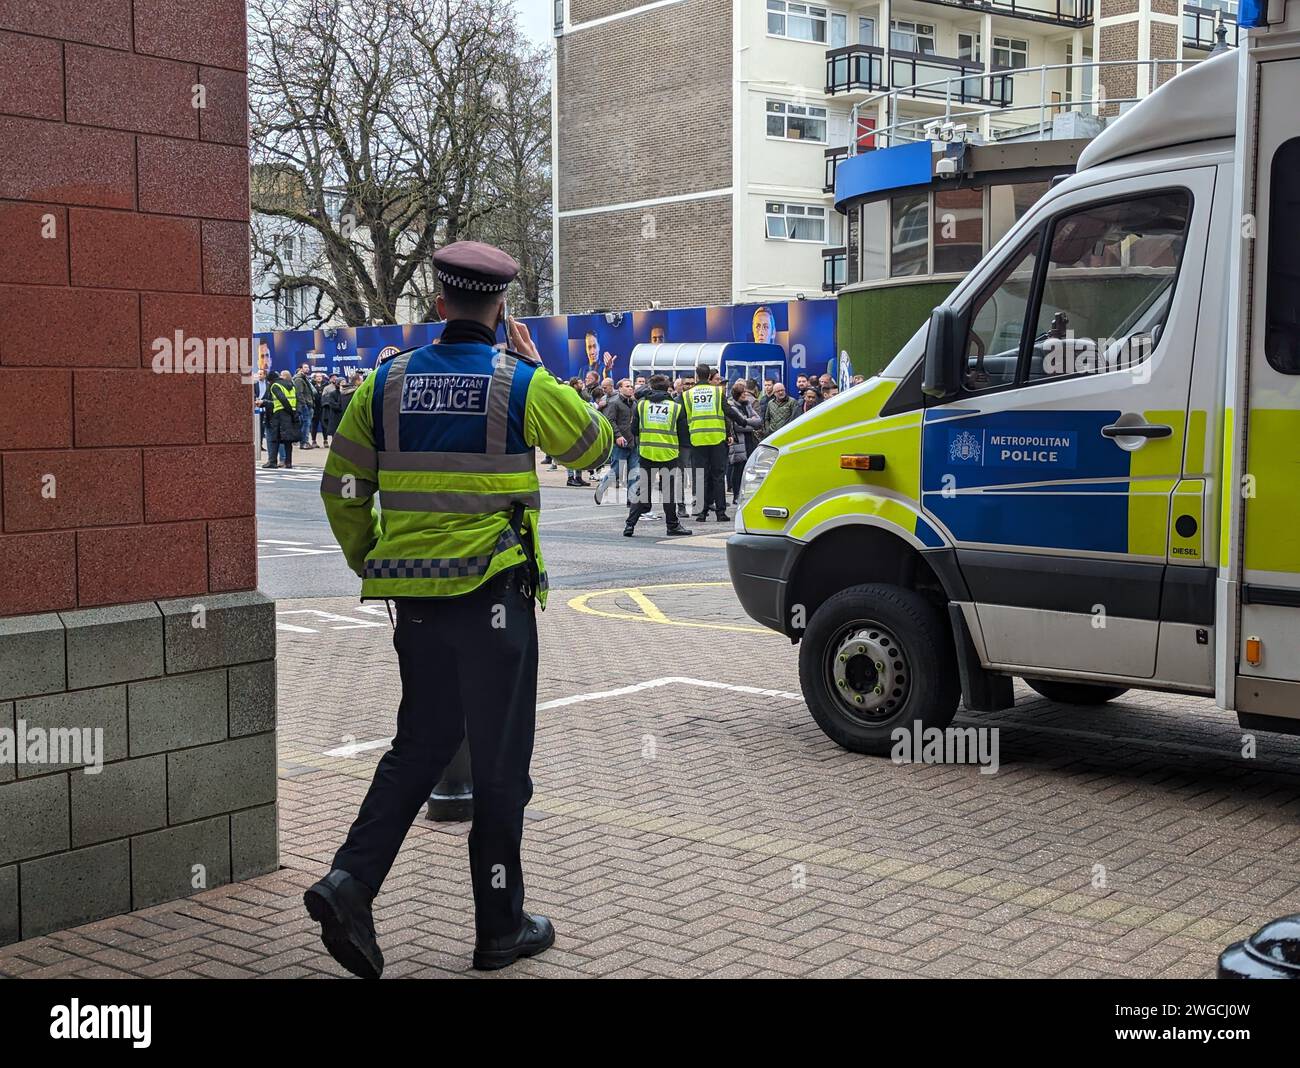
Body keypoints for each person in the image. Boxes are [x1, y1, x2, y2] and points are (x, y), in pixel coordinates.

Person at [305, 239, 611, 976]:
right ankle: (499, 929)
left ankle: (350, 881)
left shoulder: (381, 384)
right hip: (494, 600)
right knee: (502, 770)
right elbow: (595, 447)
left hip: (414, 600)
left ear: (439, 305)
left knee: (420, 744)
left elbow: (340, 490)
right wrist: (536, 365)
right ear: (500, 307)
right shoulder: (519, 382)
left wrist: (375, 558)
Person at [624, 374, 691, 538]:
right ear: (668, 387)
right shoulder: (676, 407)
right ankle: (672, 525)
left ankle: (629, 525)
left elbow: (633, 430)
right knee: (668, 493)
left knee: (643, 491)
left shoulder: (641, 405)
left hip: (647, 452)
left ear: (651, 387)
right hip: (668, 454)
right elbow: (683, 434)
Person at [681, 364, 729, 523]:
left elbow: (681, 417)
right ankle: (721, 512)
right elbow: (727, 412)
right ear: (709, 376)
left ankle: (701, 513)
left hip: (697, 440)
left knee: (701, 477)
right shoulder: (717, 391)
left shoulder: (688, 394)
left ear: (696, 376)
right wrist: (741, 422)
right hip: (717, 439)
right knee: (718, 476)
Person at [595, 378, 639, 506]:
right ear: (619, 388)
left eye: (631, 386)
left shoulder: (634, 403)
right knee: (616, 471)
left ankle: (631, 500)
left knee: (634, 472)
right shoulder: (614, 402)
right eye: (627, 386)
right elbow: (610, 420)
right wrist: (618, 436)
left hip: (633, 442)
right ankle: (601, 488)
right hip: (620, 442)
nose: (630, 388)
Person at [725, 380, 762, 506]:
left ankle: (746, 494)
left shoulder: (747, 405)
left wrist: (747, 422)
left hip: (749, 441)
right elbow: (737, 426)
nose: (745, 397)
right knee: (738, 469)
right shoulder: (732, 407)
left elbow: (758, 421)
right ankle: (736, 495)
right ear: (737, 395)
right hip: (738, 443)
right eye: (743, 395)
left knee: (749, 468)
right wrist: (750, 423)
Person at [262, 370, 298, 469]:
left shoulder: (275, 386)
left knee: (275, 438)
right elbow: (296, 398)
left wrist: (289, 410)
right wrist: (294, 413)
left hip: (280, 414)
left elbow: (282, 399)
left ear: (270, 380)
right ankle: (288, 462)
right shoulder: (291, 384)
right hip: (291, 413)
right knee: (288, 440)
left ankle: (272, 462)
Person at [565, 378, 592, 486]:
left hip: (580, 426)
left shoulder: (581, 394)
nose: (583, 385)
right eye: (580, 383)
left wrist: (583, 389)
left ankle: (579, 477)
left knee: (580, 453)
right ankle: (570, 478)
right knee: (572, 453)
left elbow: (588, 399)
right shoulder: (568, 393)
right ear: (575, 385)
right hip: (570, 426)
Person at [293, 363, 315, 448]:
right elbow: (299, 393)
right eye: (305, 367)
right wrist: (304, 404)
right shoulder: (299, 379)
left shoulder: (305, 379)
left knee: (307, 424)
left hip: (308, 404)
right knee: (306, 423)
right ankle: (304, 442)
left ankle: (304, 441)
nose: (307, 369)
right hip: (305, 405)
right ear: (300, 369)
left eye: (308, 367)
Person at [321, 374, 343, 442]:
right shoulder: (329, 390)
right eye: (342, 383)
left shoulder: (346, 392)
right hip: (334, 413)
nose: (334, 379)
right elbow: (328, 401)